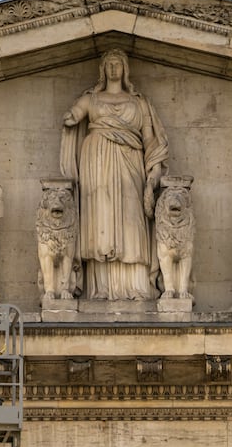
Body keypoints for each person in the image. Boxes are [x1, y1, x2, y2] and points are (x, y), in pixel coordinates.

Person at [61, 48, 169, 301]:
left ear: (125, 69)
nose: (113, 68)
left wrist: (153, 173)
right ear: (103, 69)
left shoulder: (139, 103)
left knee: (131, 219)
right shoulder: (91, 99)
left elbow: (151, 140)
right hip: (97, 160)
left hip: (130, 161)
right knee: (101, 217)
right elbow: (74, 115)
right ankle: (100, 287)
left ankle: (136, 285)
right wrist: (71, 118)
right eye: (108, 64)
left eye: (117, 64)